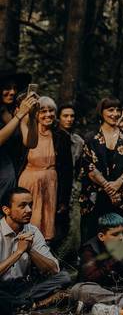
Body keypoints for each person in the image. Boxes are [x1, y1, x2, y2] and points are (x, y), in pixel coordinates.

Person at [0, 187, 71, 314]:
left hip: (23, 287)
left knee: (64, 277)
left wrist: (30, 249)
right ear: (6, 210)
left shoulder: (32, 230)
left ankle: (19, 305)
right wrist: (18, 252)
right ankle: (32, 305)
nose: (29, 210)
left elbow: (53, 269)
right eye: (22, 206)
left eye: (30, 205)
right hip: (1, 288)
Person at [79, 98, 123, 242]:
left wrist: (117, 184)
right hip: (96, 195)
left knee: (120, 235)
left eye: (118, 110)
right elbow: (89, 167)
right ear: (102, 112)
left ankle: (120, 262)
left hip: (121, 196)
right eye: (110, 110)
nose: (115, 114)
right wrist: (108, 187)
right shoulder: (91, 137)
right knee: (93, 234)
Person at [71, 213, 123, 312]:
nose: (121, 238)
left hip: (121, 291)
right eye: (115, 234)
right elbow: (91, 278)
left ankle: (105, 306)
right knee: (79, 289)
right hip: (99, 291)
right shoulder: (89, 249)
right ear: (101, 236)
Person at [17, 97, 72, 243]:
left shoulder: (62, 137)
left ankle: (43, 257)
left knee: (47, 223)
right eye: (43, 111)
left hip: (51, 186)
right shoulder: (26, 132)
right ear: (36, 114)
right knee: (27, 219)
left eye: (51, 111)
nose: (48, 114)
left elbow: (67, 171)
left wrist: (64, 199)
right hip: (29, 183)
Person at [0, 62, 38, 205]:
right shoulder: (18, 114)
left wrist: (32, 116)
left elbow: (31, 143)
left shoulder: (14, 112)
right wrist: (20, 115)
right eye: (7, 88)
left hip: (13, 174)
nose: (12, 92)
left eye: (15, 88)